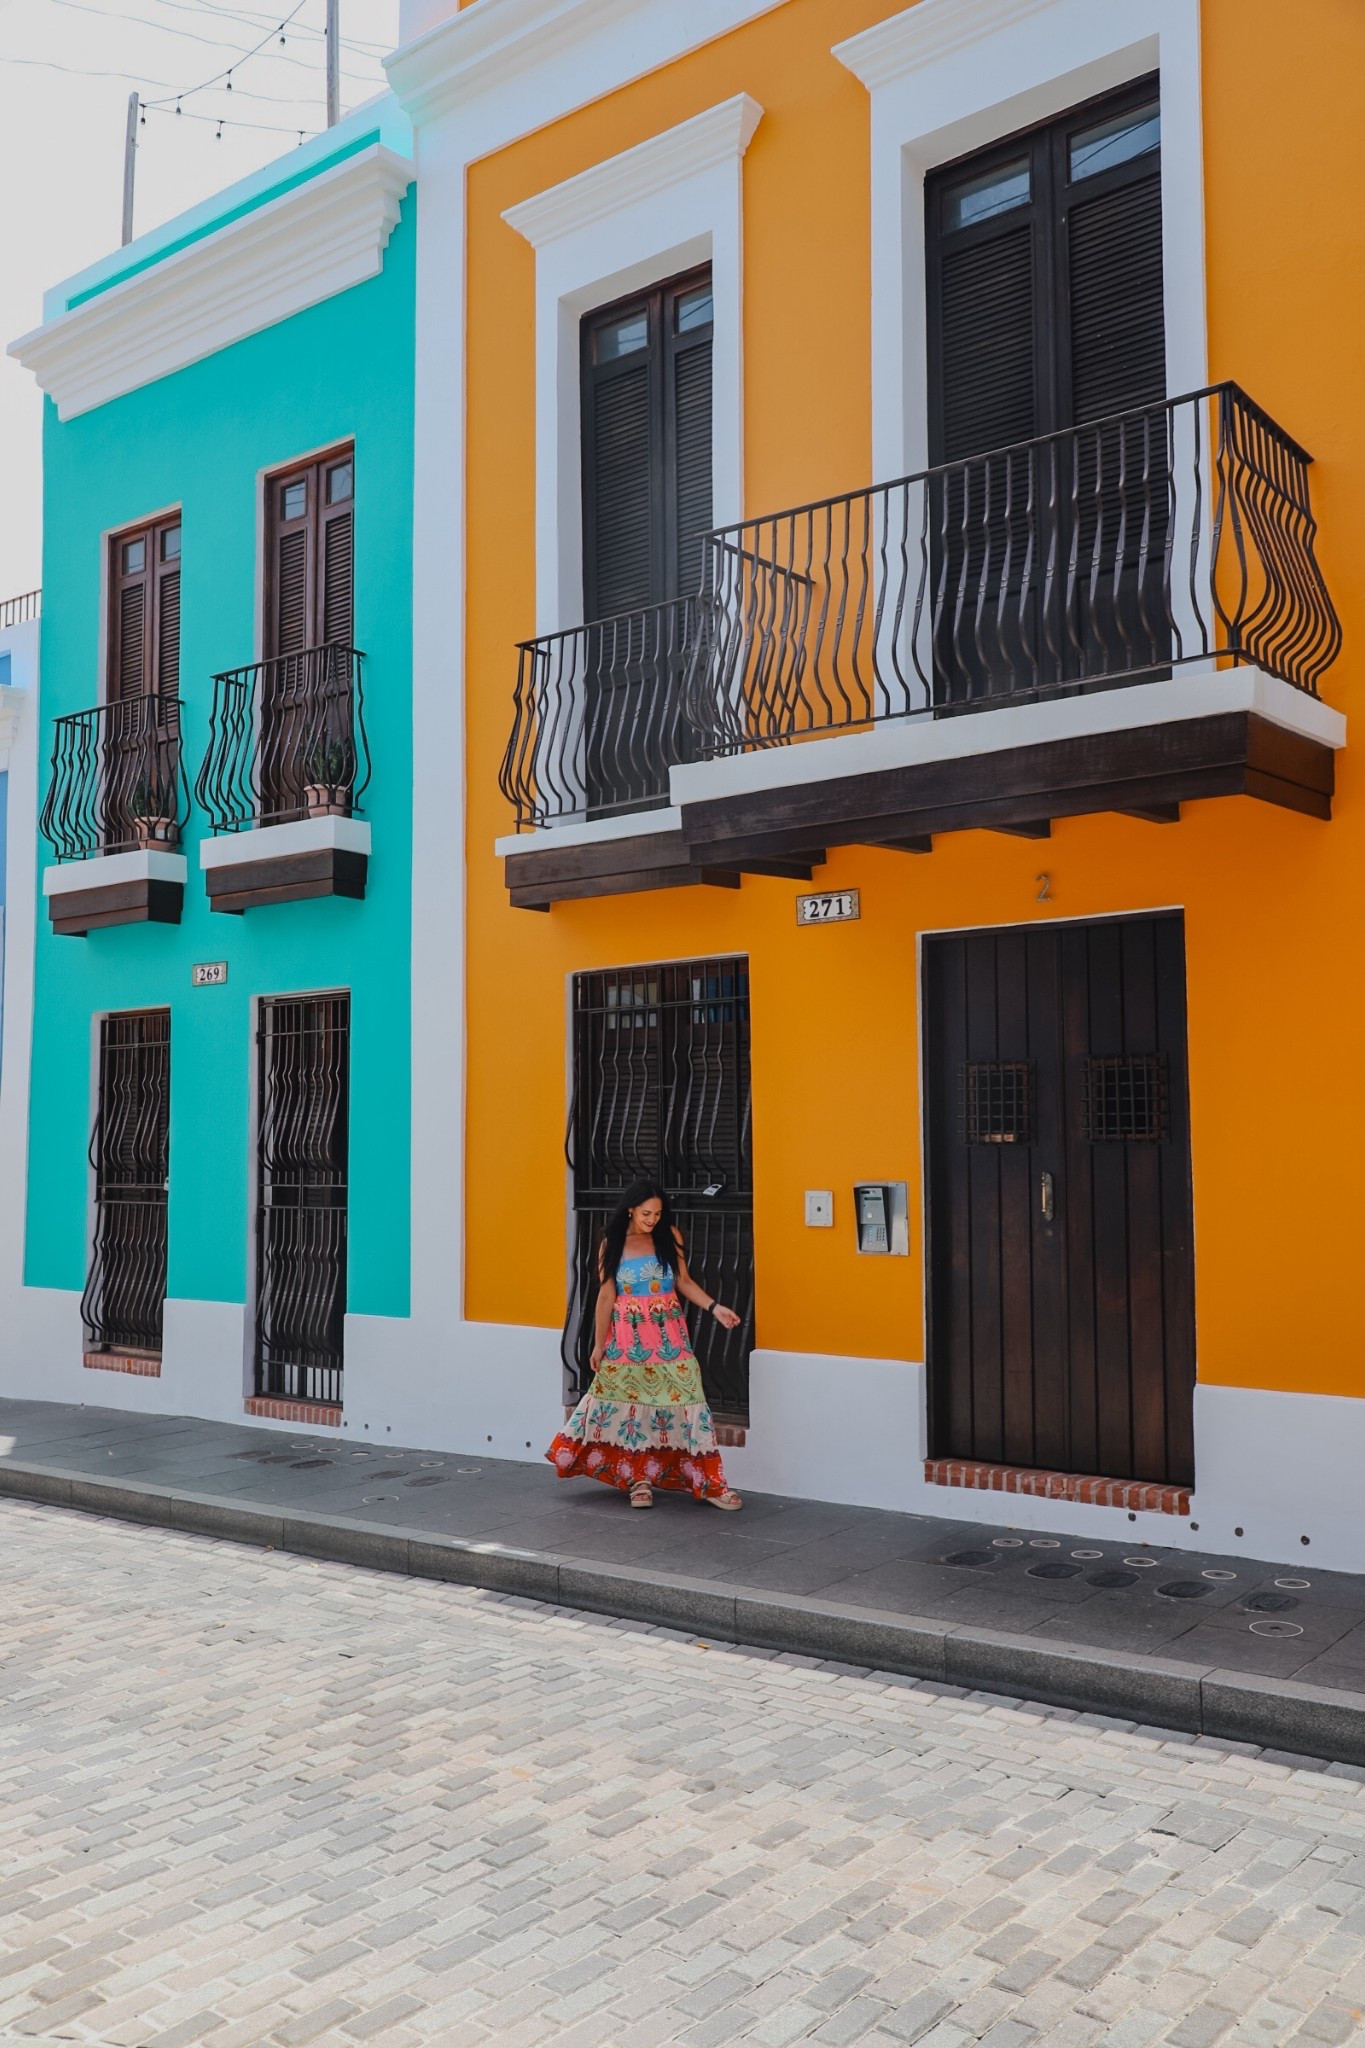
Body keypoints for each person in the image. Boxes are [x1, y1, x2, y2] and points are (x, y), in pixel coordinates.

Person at [546, 1180, 743, 1510]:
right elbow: (607, 1295)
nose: (652, 1219)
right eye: (646, 1213)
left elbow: (683, 1282)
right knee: (632, 1410)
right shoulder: (613, 1243)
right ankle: (639, 1480)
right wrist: (598, 1345)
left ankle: (710, 1482)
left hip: (670, 1334)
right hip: (627, 1336)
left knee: (691, 1399)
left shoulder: (670, 1236)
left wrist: (714, 1307)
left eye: (658, 1213)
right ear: (631, 1209)